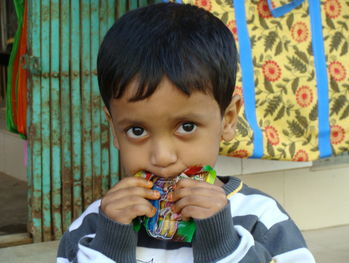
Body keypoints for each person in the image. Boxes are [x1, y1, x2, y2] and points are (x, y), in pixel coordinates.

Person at [57, 3, 315, 263]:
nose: (163, 157)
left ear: (227, 119)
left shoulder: (261, 219)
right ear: (114, 129)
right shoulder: (94, 225)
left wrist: (222, 245)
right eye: (137, 130)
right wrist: (110, 245)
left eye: (187, 126)